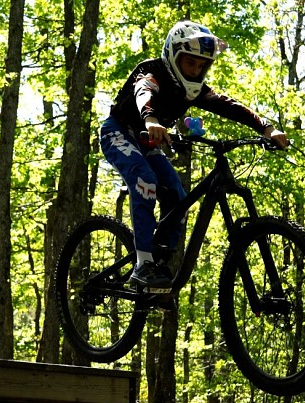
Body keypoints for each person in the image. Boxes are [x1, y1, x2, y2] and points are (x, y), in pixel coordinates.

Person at [100, 20, 289, 293]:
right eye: (191, 63)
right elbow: (144, 93)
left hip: (147, 142)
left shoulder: (195, 89)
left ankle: (159, 263)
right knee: (145, 179)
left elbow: (228, 105)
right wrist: (151, 120)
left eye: (202, 66)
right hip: (118, 132)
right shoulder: (151, 73)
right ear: (173, 56)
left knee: (177, 193)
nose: (196, 70)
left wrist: (267, 128)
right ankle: (142, 264)